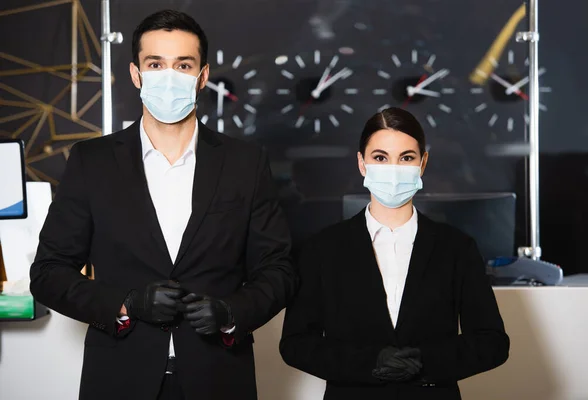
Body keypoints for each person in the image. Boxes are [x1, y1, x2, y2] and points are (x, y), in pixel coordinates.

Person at [30, 9, 295, 400]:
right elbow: (49, 273)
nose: (169, 76)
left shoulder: (245, 163)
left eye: (183, 65)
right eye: (156, 64)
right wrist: (124, 303)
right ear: (136, 74)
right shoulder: (92, 161)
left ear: (202, 76)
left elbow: (280, 270)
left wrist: (230, 312)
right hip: (119, 378)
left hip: (219, 379)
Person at [280, 107, 509, 400]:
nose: (393, 169)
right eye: (380, 157)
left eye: (406, 158)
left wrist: (426, 361)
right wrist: (370, 362)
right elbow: (296, 343)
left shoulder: (457, 248)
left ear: (423, 163)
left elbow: (492, 342)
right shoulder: (323, 248)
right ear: (361, 163)